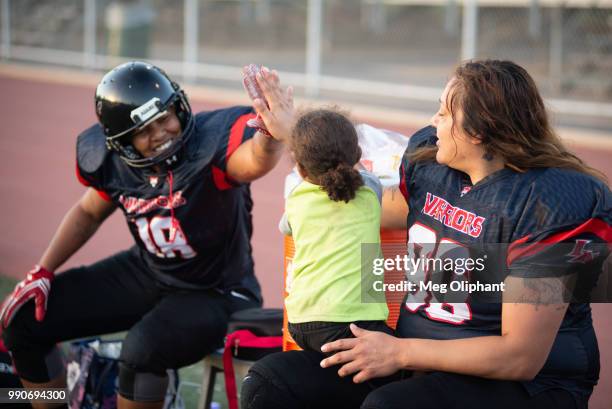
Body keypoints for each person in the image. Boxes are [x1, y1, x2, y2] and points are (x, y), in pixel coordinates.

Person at [240, 59, 612, 409]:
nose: (434, 120)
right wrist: (297, 136)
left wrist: (400, 352)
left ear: (478, 131)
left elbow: (521, 357)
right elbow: (360, 203)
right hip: (419, 360)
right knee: (271, 382)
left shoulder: (554, 205)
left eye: (446, 112)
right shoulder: (432, 167)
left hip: (529, 385)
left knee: (391, 405)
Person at [0, 61, 294, 409]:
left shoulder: (208, 146)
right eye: (144, 130)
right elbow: (87, 212)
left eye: (164, 118)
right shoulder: (115, 164)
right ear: (121, 143)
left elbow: (254, 160)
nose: (160, 133)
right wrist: (43, 271)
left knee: (140, 351)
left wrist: (271, 137)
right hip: (149, 272)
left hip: (216, 290)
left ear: (179, 108)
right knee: (23, 322)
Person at [279, 108, 390, 353]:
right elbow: (363, 177)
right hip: (354, 323)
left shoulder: (296, 199)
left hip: (299, 322)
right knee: (403, 359)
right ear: (358, 154)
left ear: (300, 168)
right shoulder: (371, 191)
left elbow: (284, 227)